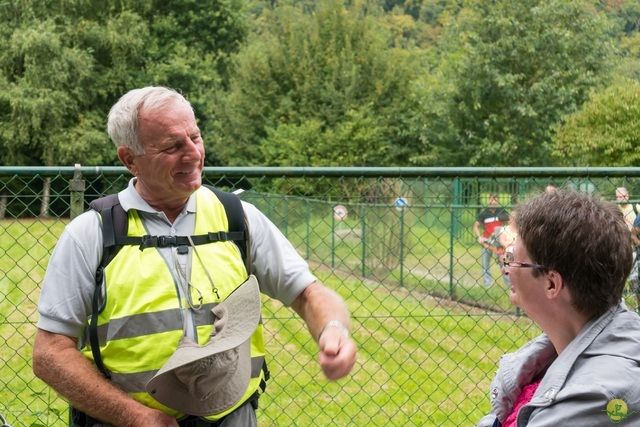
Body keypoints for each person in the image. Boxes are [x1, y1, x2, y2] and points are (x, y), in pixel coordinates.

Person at [32, 86, 357, 427]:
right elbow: (50, 353)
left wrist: (333, 330)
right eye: (172, 146)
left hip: (233, 417)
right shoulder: (93, 234)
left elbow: (309, 294)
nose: (193, 154)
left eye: (195, 137)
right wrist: (134, 416)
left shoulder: (238, 217)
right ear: (130, 159)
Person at [477, 190, 640, 427]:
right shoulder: (556, 349)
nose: (506, 268)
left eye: (513, 259)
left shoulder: (599, 395)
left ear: (551, 283)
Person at [473, 194, 510, 286]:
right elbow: (475, 227)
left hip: (499, 242)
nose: (493, 202)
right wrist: (479, 237)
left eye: (495, 200)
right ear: (488, 200)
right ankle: (488, 284)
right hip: (487, 242)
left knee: (504, 263)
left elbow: (510, 222)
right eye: (492, 200)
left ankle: (509, 284)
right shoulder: (483, 213)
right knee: (485, 264)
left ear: (497, 202)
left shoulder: (502, 211)